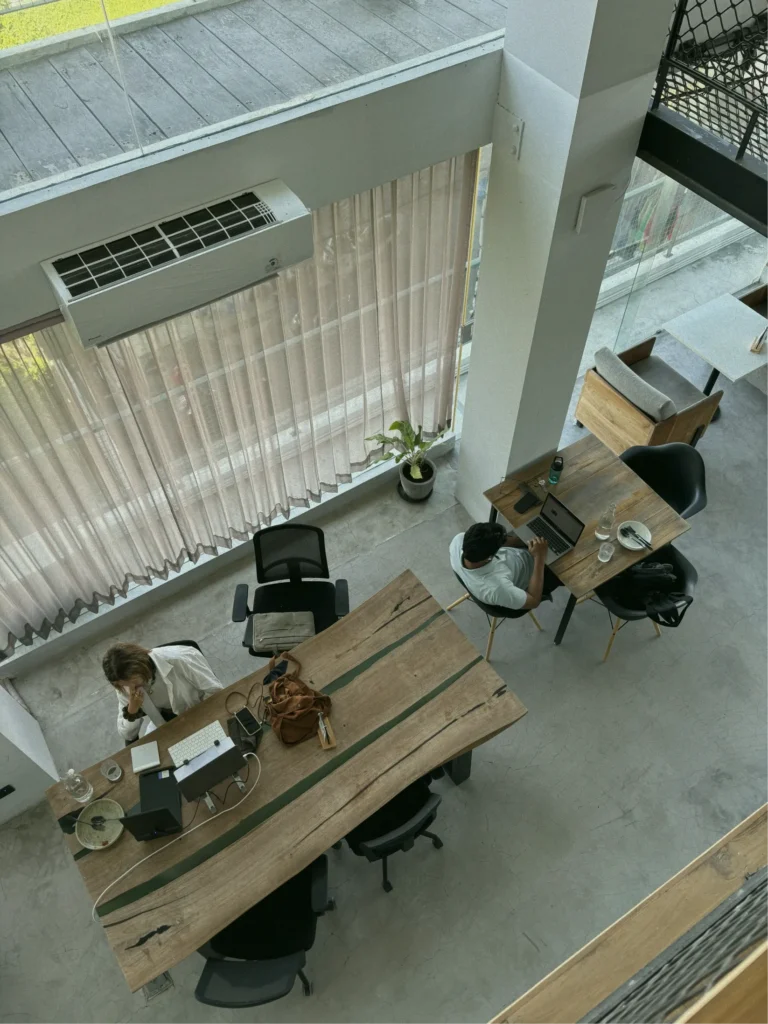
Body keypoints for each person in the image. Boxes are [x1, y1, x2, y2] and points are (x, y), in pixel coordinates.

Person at [102, 641, 223, 743]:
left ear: (142, 666)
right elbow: (127, 735)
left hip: (199, 710)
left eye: (133, 680)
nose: (130, 687)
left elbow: (216, 691)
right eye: (124, 684)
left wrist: (195, 719)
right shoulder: (125, 686)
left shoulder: (180, 659)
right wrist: (132, 711)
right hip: (166, 724)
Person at [449, 522, 560, 611]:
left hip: (526, 553)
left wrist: (528, 540)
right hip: (539, 568)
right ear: (491, 556)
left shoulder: (458, 541)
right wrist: (539, 557)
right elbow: (534, 601)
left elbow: (503, 542)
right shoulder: (497, 589)